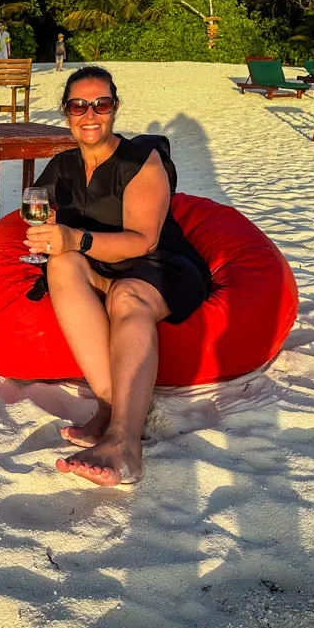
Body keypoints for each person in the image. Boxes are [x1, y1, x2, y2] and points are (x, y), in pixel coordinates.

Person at [23, 66, 211, 487]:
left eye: (101, 104)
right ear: (66, 113)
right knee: (60, 263)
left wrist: (73, 237)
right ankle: (109, 409)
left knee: (126, 294)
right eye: (78, 105)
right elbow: (40, 219)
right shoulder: (61, 167)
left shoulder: (140, 159)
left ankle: (125, 443)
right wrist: (49, 237)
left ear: (115, 108)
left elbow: (143, 241)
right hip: (100, 267)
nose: (90, 114)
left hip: (159, 264)